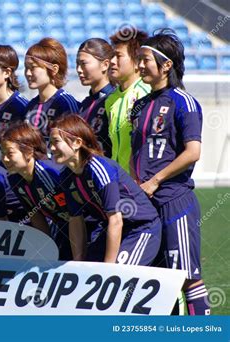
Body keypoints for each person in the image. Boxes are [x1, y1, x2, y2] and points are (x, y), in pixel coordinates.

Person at [131, 30, 210, 315]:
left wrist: (154, 181)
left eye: (144, 59)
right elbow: (135, 153)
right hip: (145, 204)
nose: (138, 65)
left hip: (174, 201)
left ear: (166, 65)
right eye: (138, 59)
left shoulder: (183, 102)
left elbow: (192, 152)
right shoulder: (139, 105)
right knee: (157, 278)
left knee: (187, 276)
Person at [50, 114, 161, 266]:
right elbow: (75, 220)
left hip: (140, 228)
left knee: (119, 278)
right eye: (50, 142)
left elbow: (116, 220)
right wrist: (78, 263)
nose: (51, 148)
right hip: (108, 229)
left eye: (56, 142)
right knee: (87, 275)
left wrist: (108, 269)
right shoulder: (66, 176)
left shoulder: (100, 169)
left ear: (77, 142)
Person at [0, 122, 72, 260]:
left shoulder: (51, 172)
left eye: (10, 153)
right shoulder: (15, 178)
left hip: (88, 225)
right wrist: (46, 250)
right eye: (2, 153)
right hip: (64, 226)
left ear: (29, 152)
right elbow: (36, 215)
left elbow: (75, 214)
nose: (4, 159)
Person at [105, 29, 150, 173]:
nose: (112, 61)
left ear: (137, 62)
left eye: (118, 56)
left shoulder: (145, 94)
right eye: (112, 56)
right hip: (118, 182)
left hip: (140, 184)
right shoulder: (110, 99)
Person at [24, 37, 80, 145]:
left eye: (33, 68)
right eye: (26, 67)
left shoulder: (65, 103)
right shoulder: (30, 106)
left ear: (54, 69)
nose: (28, 73)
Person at [76, 38, 115, 158]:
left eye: (84, 63)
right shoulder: (84, 104)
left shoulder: (114, 100)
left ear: (105, 65)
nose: (78, 70)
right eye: (77, 64)